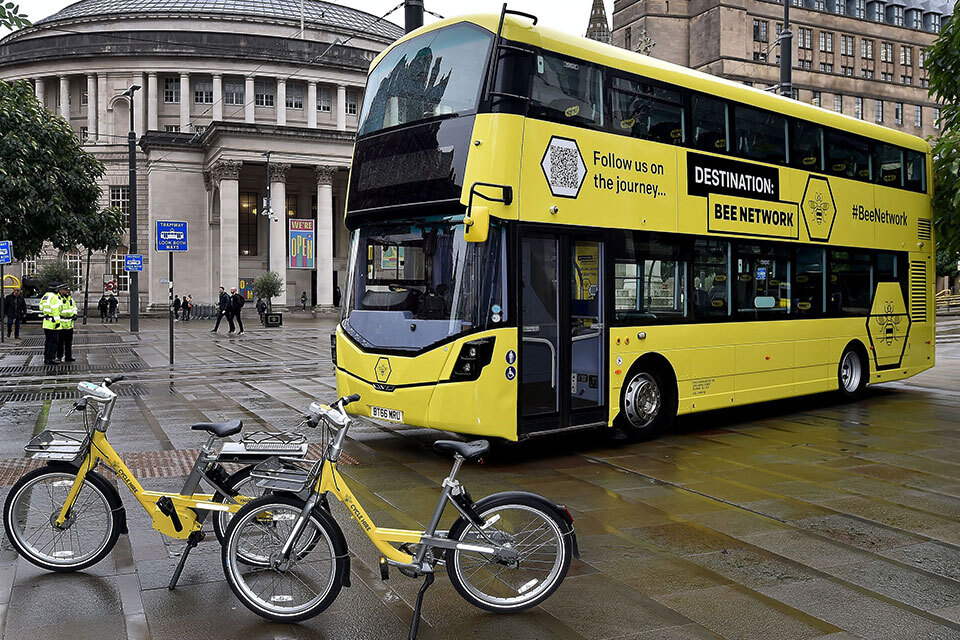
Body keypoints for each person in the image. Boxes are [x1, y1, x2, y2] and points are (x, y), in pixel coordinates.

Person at [39, 282, 62, 365]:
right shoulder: (54, 297)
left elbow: (41, 306)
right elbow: (55, 311)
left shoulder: (45, 296)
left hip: (46, 322)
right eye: (57, 288)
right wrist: (57, 322)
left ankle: (46, 358)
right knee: (53, 342)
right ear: (55, 289)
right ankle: (51, 358)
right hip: (53, 323)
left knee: (47, 342)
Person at [56, 283, 77, 362]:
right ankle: (59, 356)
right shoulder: (57, 299)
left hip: (69, 324)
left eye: (67, 290)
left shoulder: (70, 299)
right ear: (61, 291)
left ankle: (68, 356)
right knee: (60, 343)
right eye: (65, 290)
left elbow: (74, 307)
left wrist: (75, 314)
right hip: (61, 323)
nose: (67, 291)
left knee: (69, 342)